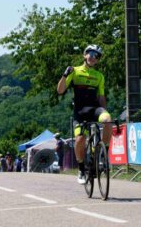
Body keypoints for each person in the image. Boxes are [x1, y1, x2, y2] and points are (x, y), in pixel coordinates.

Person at [57, 44, 112, 184]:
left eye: (96, 56)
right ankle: (81, 169)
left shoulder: (99, 76)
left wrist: (105, 112)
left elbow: (101, 97)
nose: (93, 57)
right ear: (84, 55)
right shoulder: (74, 71)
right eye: (91, 54)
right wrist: (65, 75)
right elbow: (60, 90)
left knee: (107, 119)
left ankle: (103, 153)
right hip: (80, 112)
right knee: (80, 139)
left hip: (94, 110)